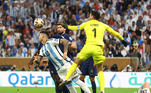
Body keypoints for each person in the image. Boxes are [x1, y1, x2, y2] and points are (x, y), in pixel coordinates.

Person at [59, 10, 128, 93]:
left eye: (90, 14)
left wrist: (66, 26)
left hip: (88, 47)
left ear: (92, 16)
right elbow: (114, 33)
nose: (89, 16)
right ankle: (102, 90)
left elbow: (76, 28)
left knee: (76, 63)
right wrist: (122, 40)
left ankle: (66, 78)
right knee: (100, 70)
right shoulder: (103, 25)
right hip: (98, 48)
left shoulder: (87, 23)